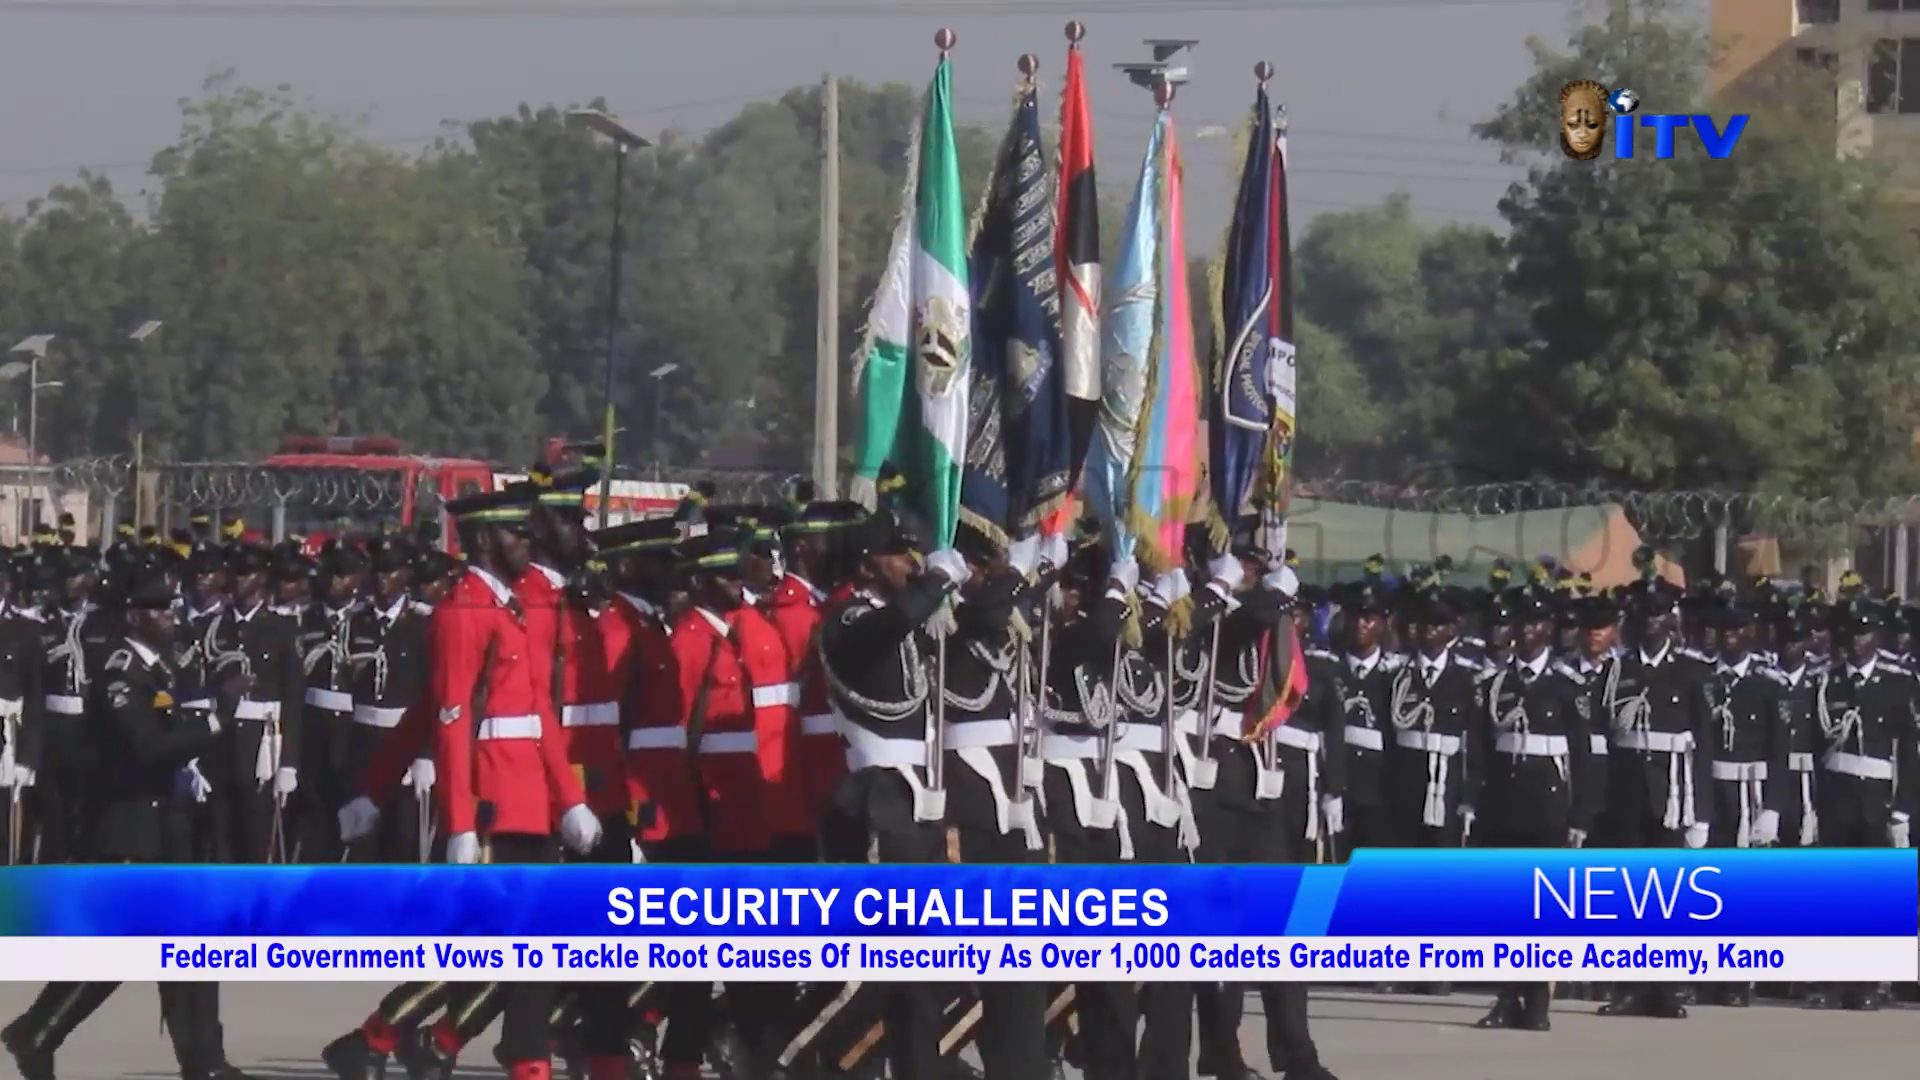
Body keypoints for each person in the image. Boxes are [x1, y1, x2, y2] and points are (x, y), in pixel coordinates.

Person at [3, 559, 255, 1080]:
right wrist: (216, 718)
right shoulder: (120, 672)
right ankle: (38, 1032)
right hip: (132, 832)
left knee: (189, 951)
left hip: (170, 829)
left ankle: (204, 1060)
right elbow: (145, 748)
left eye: (169, 605)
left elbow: (176, 720)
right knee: (119, 954)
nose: (169, 615)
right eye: (156, 608)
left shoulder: (162, 666)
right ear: (132, 617)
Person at [813, 498, 963, 1080]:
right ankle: (794, 1058)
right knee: (871, 973)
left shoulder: (913, 621)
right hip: (875, 801)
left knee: (924, 978)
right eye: (904, 555)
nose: (914, 563)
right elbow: (881, 630)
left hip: (919, 804)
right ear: (871, 563)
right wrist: (931, 588)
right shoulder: (848, 619)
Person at [1191, 522, 1338, 1080]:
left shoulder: (1258, 613)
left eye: (1257, 564)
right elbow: (1243, 621)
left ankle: (1296, 1053)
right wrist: (1270, 590)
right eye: (1244, 564)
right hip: (1210, 786)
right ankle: (1221, 1051)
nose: (1251, 573)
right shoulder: (1204, 610)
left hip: (1259, 785)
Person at [1473, 587, 1595, 1033]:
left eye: (1536, 624)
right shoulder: (1496, 685)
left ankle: (1539, 1000)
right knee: (1506, 905)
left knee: (1543, 906)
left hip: (1549, 808)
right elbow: (1482, 750)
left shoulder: (1566, 688)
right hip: (1505, 805)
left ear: (1548, 630)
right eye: (1521, 624)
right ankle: (1507, 995)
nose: (1527, 632)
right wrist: (1475, 803)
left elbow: (1583, 757)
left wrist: (1581, 815)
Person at [1597, 578, 1714, 1020]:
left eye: (1659, 614)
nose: (1651, 622)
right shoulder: (1617, 670)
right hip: (1626, 794)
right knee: (1628, 894)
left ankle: (1664, 989)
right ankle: (1627, 988)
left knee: (1668, 896)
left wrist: (1700, 812)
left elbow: (1704, 744)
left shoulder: (1691, 671)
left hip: (1672, 795)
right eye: (1644, 614)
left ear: (1671, 620)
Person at [1805, 598, 1918, 1011]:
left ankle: (1868, 982)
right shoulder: (1827, 682)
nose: (1858, 642)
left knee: (1873, 894)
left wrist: (1903, 808)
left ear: (1879, 638)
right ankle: (1833, 980)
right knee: (1835, 891)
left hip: (1876, 798)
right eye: (1853, 634)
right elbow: (1817, 750)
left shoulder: (1897, 683)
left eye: (1866, 633)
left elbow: (1909, 753)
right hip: (1837, 797)